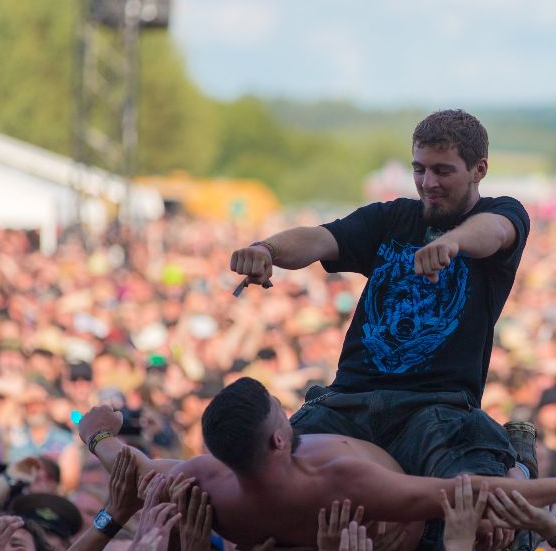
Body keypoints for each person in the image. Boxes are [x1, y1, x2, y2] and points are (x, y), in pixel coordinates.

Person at [229, 109, 537, 480]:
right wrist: (267, 250)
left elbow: (496, 232)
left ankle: (519, 468)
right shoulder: (391, 218)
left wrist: (453, 243)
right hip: (349, 401)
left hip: (437, 406)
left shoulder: (502, 212)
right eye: (419, 169)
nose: (427, 182)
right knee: (266, 474)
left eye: (443, 170)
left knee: (471, 496)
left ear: (479, 170)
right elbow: (321, 238)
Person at [78, 378, 556, 551]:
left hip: (342, 523)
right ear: (274, 440)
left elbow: (134, 466)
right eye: (281, 415)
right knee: (502, 513)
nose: (289, 416)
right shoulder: (337, 482)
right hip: (404, 523)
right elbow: (461, 491)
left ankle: (519, 456)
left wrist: (98, 433)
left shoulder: (208, 478)